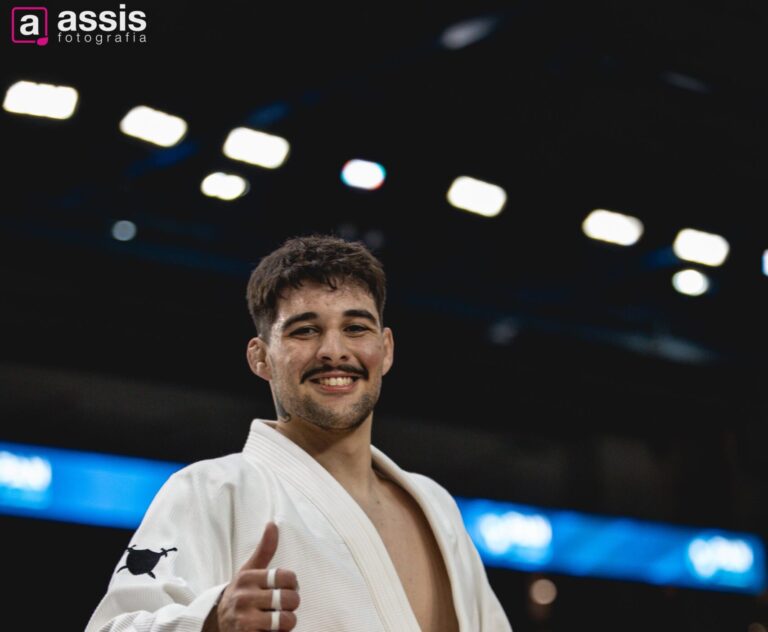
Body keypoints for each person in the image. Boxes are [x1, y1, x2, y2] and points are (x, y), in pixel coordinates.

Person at [86, 235, 512, 632]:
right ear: (261, 358)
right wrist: (211, 620)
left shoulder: (435, 505)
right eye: (305, 330)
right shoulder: (212, 490)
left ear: (386, 350)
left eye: (356, 328)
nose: (333, 351)